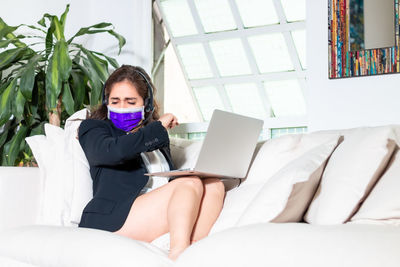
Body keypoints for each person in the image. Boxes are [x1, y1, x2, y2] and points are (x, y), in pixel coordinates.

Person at [77, 65, 226, 261]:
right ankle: (178, 255)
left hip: (150, 213)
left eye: (130, 102)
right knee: (189, 183)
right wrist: (157, 127)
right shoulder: (94, 128)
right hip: (113, 218)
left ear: (146, 105)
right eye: (115, 101)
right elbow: (114, 152)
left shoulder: (155, 138)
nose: (121, 108)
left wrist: (155, 131)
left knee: (214, 184)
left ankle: (193, 253)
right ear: (106, 102)